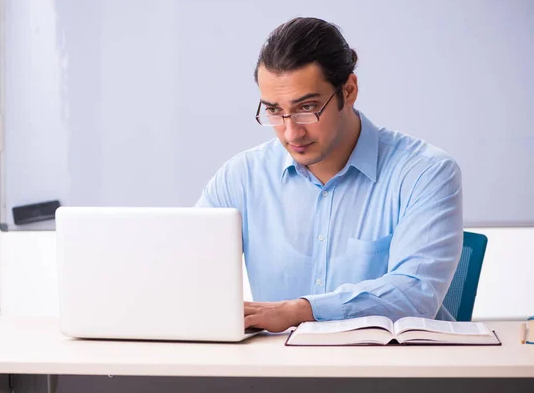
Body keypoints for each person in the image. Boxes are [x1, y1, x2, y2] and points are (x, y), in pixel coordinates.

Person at [195, 17, 463, 332]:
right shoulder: (241, 177)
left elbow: (416, 293)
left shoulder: (425, 173)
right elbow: (187, 271)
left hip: (391, 371)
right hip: (279, 371)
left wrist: (301, 311)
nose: (290, 131)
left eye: (307, 108)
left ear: (348, 91)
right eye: (274, 111)